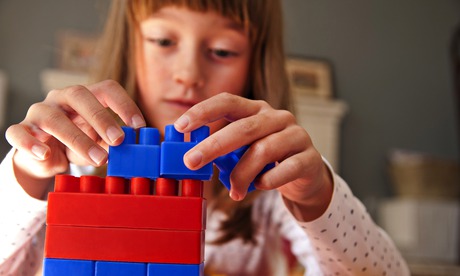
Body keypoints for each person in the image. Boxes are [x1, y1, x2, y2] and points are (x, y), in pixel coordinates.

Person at [0, 0, 410, 275]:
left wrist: (318, 196)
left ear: (255, 65)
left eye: (222, 50)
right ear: (132, 49)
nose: (188, 73)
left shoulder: (273, 187)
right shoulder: (77, 166)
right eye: (163, 41)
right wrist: (28, 173)